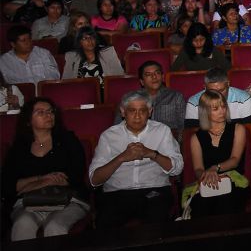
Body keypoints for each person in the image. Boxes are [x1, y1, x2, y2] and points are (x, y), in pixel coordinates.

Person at [88, 91, 184, 228]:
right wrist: (121, 158)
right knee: (106, 225)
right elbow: (94, 179)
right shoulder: (109, 136)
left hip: (154, 191)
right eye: (132, 111)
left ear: (150, 112)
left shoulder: (162, 131)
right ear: (123, 112)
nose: (137, 116)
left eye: (142, 111)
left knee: (156, 223)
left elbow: (177, 169)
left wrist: (152, 154)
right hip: (117, 194)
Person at [1, 98, 90, 241]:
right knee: (22, 224)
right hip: (28, 202)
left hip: (68, 201)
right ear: (28, 120)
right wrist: (43, 179)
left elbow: (75, 176)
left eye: (50, 111)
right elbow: (9, 185)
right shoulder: (19, 147)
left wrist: (30, 184)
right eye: (40, 112)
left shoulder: (68, 140)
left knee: (55, 226)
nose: (48, 115)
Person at [186, 89, 249, 217]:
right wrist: (206, 176)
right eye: (215, 108)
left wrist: (215, 168)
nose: (222, 111)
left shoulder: (238, 129)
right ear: (205, 111)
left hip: (233, 181)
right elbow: (198, 169)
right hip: (208, 182)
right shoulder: (196, 137)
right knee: (200, 205)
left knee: (225, 202)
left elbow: (235, 160)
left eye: (223, 106)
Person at [184, 68, 251, 129]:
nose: (217, 95)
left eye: (221, 90)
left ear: (228, 84)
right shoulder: (194, 103)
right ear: (205, 87)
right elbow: (191, 132)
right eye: (212, 91)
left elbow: (250, 130)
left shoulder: (243, 99)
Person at [127, 60, 185, 134]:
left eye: (157, 73)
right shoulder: (131, 99)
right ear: (142, 81)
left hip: (167, 139)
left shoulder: (176, 97)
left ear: (162, 77)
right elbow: (118, 128)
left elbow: (183, 128)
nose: (154, 77)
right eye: (148, 74)